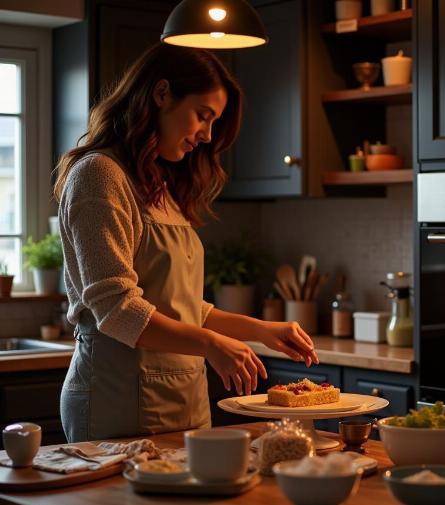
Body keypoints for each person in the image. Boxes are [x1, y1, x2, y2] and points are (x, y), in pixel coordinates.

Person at [54, 43, 319, 443]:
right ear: (161, 94)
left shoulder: (157, 184)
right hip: (117, 397)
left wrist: (260, 330)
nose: (207, 135)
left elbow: (179, 305)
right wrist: (211, 343)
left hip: (184, 397)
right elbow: (116, 308)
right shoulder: (98, 176)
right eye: (203, 115)